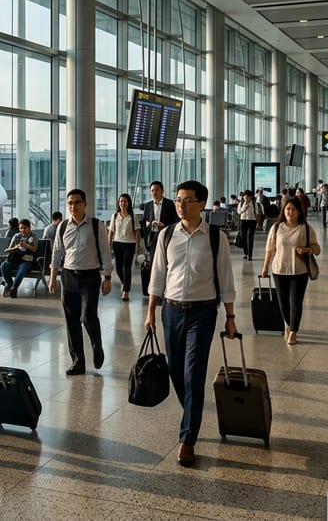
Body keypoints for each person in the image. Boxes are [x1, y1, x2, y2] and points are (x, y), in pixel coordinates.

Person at [144, 181, 236, 468]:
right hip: (171, 311)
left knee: (194, 372)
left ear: (202, 204)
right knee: (175, 371)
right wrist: (150, 313)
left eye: (188, 200)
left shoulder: (215, 237)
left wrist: (231, 317)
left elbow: (226, 278)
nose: (181, 205)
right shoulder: (167, 234)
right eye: (179, 200)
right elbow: (157, 275)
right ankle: (192, 413)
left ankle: (187, 439)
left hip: (202, 312)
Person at [48, 189, 113, 375]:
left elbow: (105, 251)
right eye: (70, 203)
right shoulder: (62, 226)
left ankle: (96, 343)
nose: (73, 206)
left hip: (90, 277)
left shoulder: (96, 225)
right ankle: (78, 362)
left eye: (77, 202)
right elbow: (57, 252)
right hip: (68, 276)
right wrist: (53, 276)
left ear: (85, 204)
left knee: (87, 316)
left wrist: (107, 277)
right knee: (71, 321)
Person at [259, 198, 319, 346]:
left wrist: (308, 249)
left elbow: (317, 249)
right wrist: (265, 267)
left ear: (299, 211)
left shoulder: (305, 228)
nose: (289, 212)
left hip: (299, 271)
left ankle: (293, 331)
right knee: (283, 302)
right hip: (279, 270)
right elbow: (270, 249)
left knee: (295, 302)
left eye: (293, 209)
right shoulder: (276, 228)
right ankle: (288, 322)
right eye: (287, 209)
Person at [140, 181, 179, 295]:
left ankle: (167, 288)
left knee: (166, 262)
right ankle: (155, 289)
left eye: (157, 190)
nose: (154, 193)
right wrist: (150, 224)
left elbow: (175, 221)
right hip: (152, 236)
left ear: (162, 191)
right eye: (152, 191)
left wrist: (164, 224)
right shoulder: (148, 205)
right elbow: (144, 222)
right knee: (154, 262)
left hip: (166, 236)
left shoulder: (169, 204)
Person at [108, 193, 140, 302]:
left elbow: (137, 233)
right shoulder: (115, 216)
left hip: (129, 244)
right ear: (118, 203)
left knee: (127, 268)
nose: (123, 203)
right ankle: (124, 283)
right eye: (121, 201)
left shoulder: (133, 216)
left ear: (129, 203)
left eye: (125, 201)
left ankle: (126, 291)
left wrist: (137, 248)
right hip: (117, 243)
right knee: (118, 268)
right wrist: (109, 245)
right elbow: (111, 231)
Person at [0, 219, 38, 298]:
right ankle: (9, 284)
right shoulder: (16, 236)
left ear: (29, 228)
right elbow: (8, 249)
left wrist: (26, 246)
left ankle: (14, 288)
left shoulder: (33, 237)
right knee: (4, 266)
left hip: (26, 260)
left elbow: (35, 249)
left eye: (25, 228)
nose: (23, 230)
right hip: (15, 258)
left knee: (21, 271)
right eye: (21, 228)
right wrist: (16, 247)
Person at [236, 190, 261, 261]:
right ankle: (245, 253)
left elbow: (256, 213)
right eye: (245, 197)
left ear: (250, 197)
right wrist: (245, 206)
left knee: (250, 238)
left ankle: (250, 255)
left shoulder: (254, 204)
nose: (246, 198)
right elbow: (239, 212)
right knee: (243, 238)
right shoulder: (240, 204)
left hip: (252, 221)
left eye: (248, 197)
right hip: (243, 221)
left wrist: (258, 223)